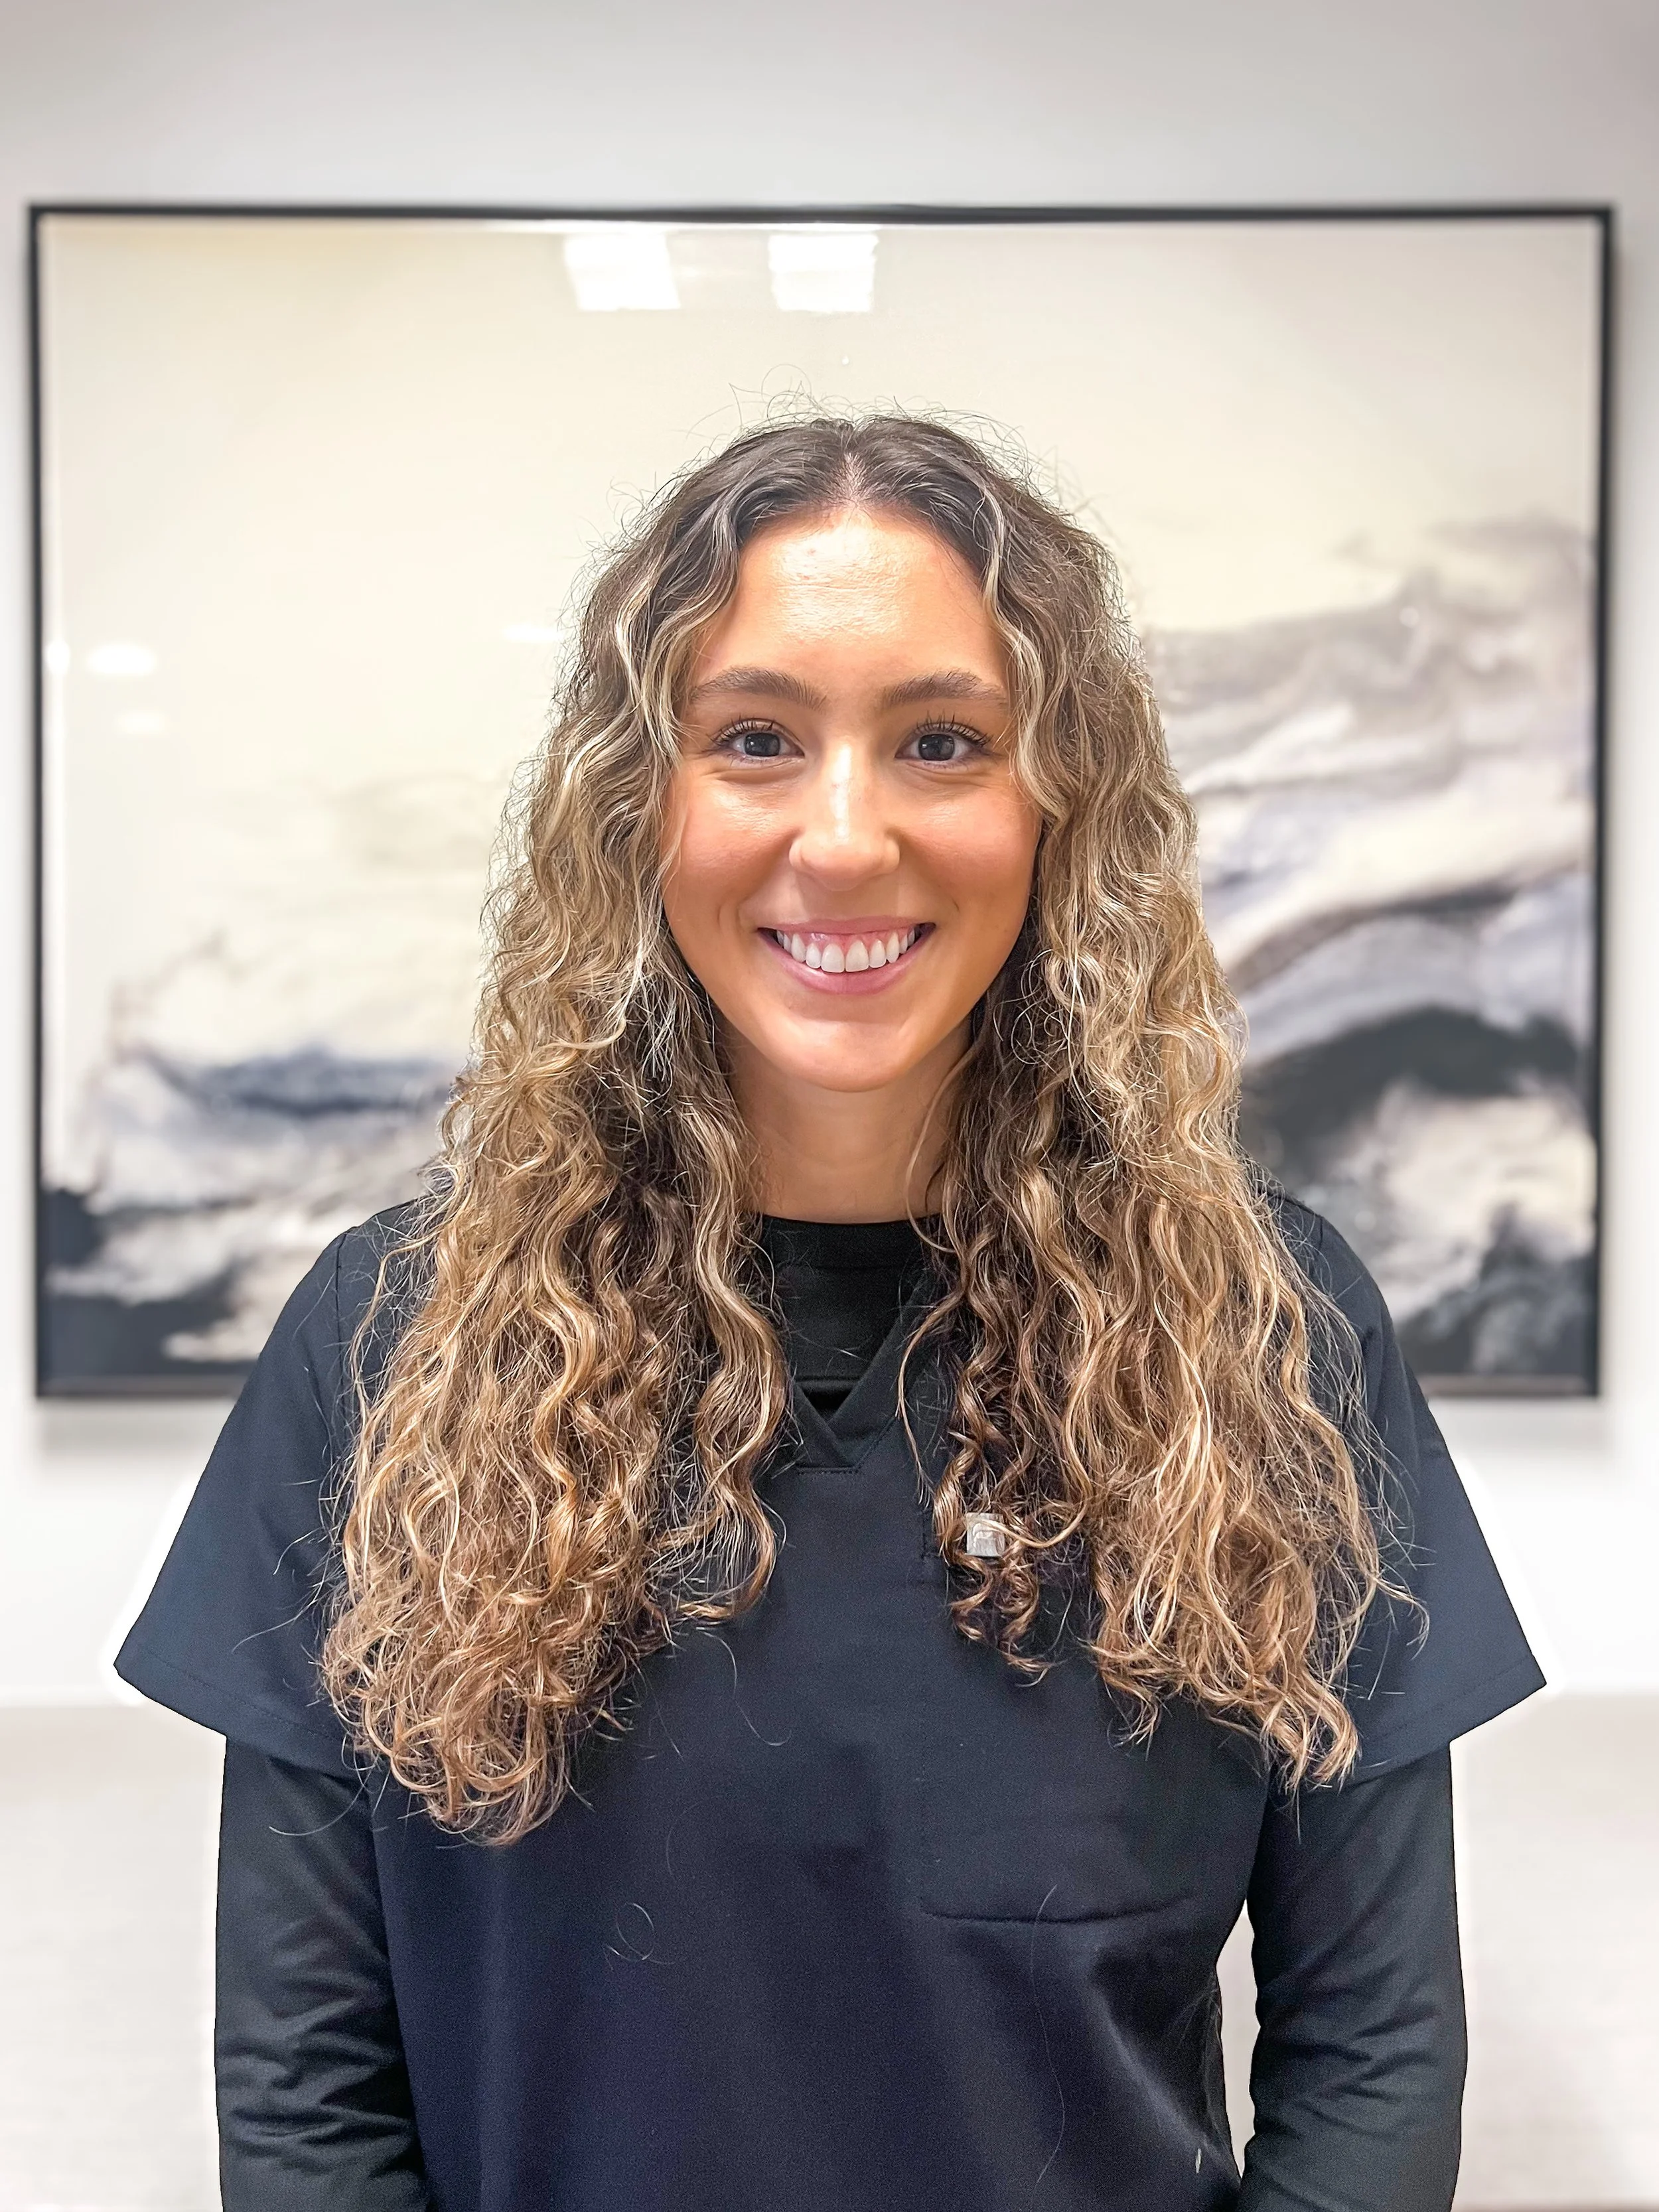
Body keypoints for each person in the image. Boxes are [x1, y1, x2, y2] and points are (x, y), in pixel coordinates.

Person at [117, 414, 1543, 2212]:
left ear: (1057, 806)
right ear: (640, 804)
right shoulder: (386, 1343)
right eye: (755, 739)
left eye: (941, 740)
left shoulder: (1272, 1336)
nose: (847, 836)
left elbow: (1375, 2053)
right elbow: (308, 2090)